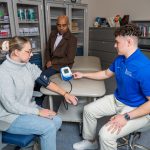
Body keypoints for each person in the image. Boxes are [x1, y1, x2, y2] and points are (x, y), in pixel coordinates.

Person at [73, 23, 150, 150]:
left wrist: (126, 116)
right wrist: (83, 74)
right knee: (88, 110)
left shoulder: (144, 68)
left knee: (105, 135)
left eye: (117, 42)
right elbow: (105, 73)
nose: (114, 45)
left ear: (129, 42)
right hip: (118, 99)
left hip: (137, 108)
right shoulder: (120, 58)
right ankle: (90, 141)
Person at [0, 36, 78, 150]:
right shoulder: (3, 73)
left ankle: (35, 144)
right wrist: (38, 112)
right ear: (16, 52)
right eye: (28, 51)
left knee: (57, 120)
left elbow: (45, 81)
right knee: (49, 127)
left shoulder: (27, 66)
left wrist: (65, 94)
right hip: (9, 117)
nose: (31, 54)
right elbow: (11, 106)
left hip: (26, 108)